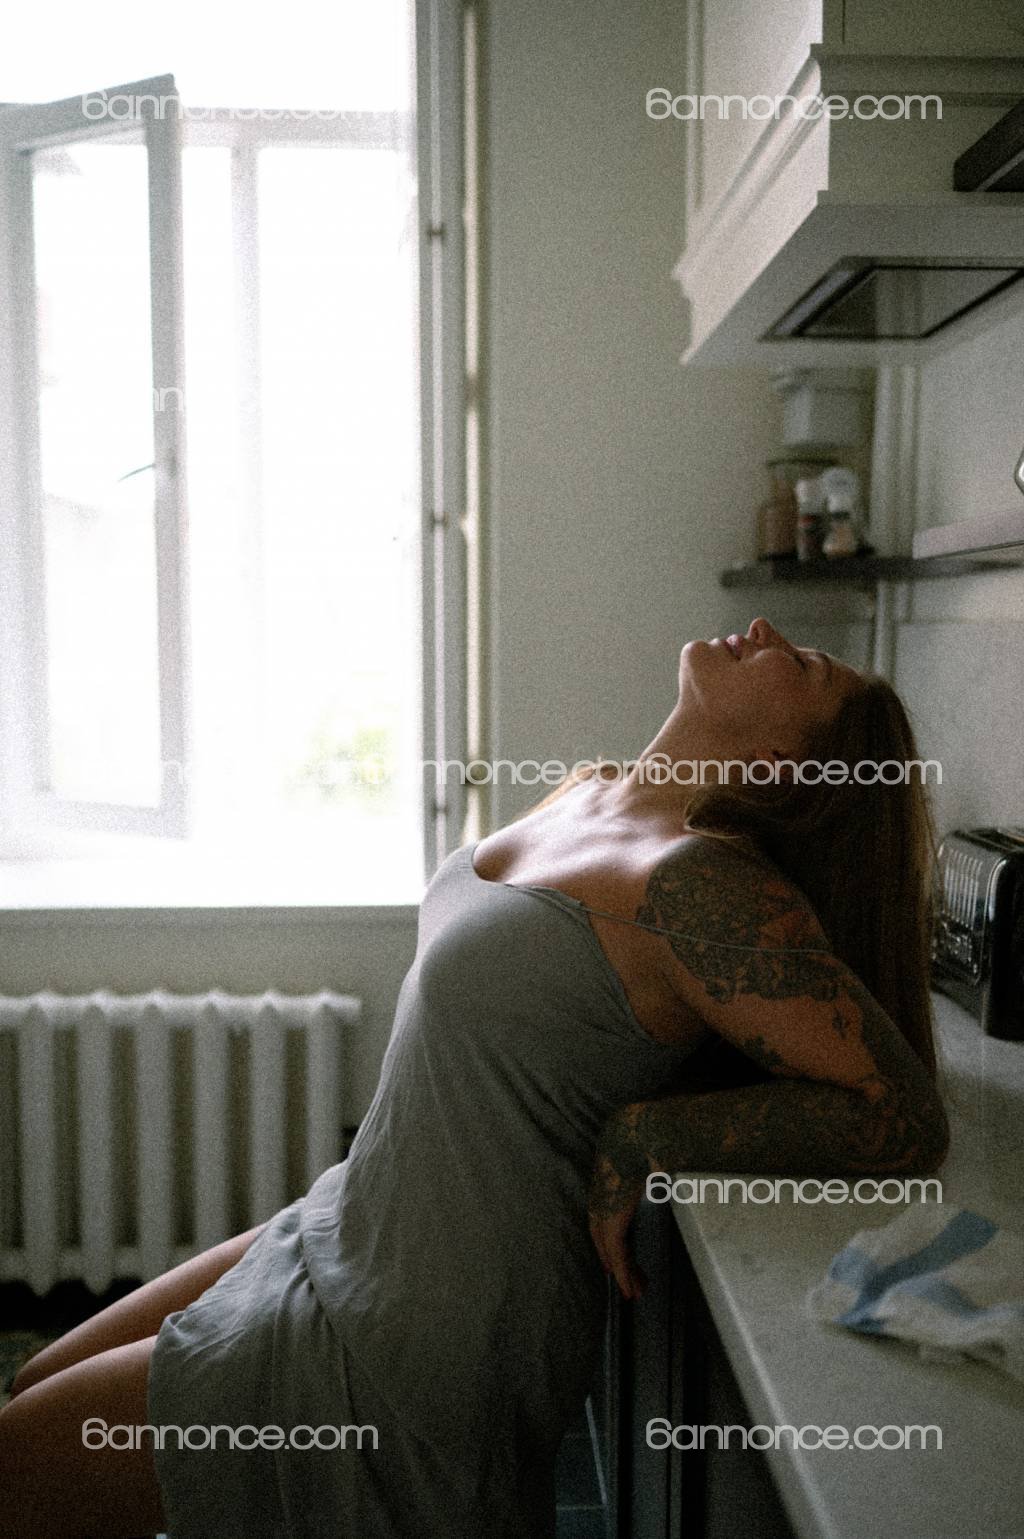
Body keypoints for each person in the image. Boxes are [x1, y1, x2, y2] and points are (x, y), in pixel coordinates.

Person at [0, 617, 949, 1539]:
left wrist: (649, 1135)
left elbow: (903, 1112)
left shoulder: (707, 887)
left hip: (415, 1333)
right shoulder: (586, 791)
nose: (766, 629)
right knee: (37, 1381)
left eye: (806, 664)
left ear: (790, 765)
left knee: (22, 1469)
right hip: (348, 1224)